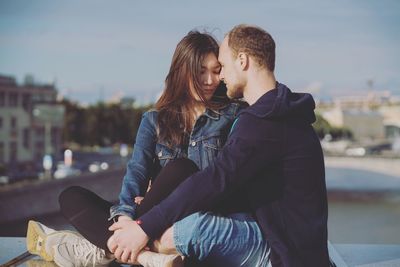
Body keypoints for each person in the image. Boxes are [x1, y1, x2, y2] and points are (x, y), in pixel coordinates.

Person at [26, 30, 269, 266]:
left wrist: (152, 204)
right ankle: (146, 257)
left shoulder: (235, 115)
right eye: (200, 71)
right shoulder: (154, 120)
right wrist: (126, 216)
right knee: (71, 196)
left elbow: (226, 181)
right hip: (152, 224)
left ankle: (106, 248)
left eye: (216, 71)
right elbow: (136, 174)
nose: (209, 81)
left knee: (181, 168)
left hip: (198, 223)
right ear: (181, 71)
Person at [107, 24, 330, 267]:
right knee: (190, 224)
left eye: (221, 66)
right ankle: (127, 246)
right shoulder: (276, 112)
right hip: (287, 243)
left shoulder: (263, 121)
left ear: (242, 61)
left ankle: (116, 248)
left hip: (285, 255)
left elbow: (216, 178)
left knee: (191, 229)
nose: (220, 77)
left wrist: (143, 227)